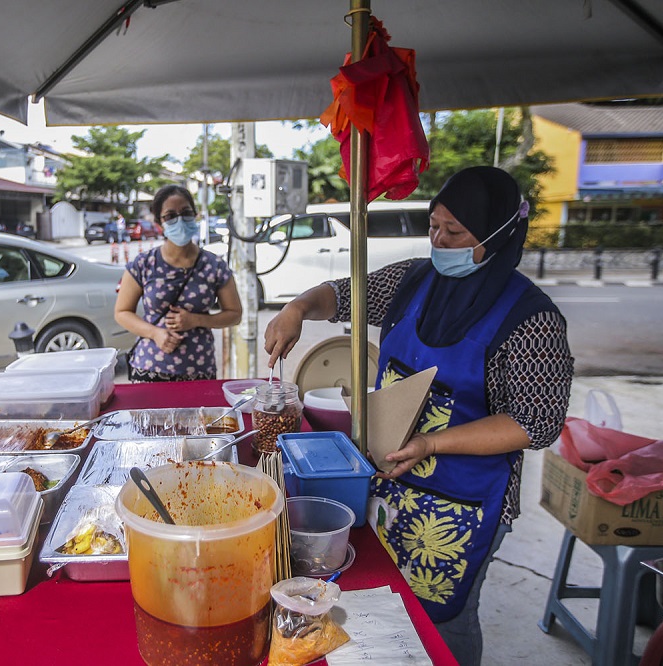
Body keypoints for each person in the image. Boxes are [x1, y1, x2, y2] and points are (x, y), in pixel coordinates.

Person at [264, 167, 574, 665]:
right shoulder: (412, 280)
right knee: (383, 599)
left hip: (463, 503)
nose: (439, 240)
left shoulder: (533, 320)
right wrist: (298, 307)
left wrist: (432, 443)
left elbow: (535, 423)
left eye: (454, 233)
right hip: (389, 483)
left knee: (447, 617)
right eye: (433, 226)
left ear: (497, 235)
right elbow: (341, 294)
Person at [115, 185, 242, 382]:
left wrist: (197, 320)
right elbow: (122, 312)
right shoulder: (143, 264)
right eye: (170, 216)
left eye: (186, 213)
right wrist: (155, 333)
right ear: (159, 223)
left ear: (195, 215)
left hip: (200, 371)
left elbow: (234, 314)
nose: (180, 220)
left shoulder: (214, 265)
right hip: (150, 370)